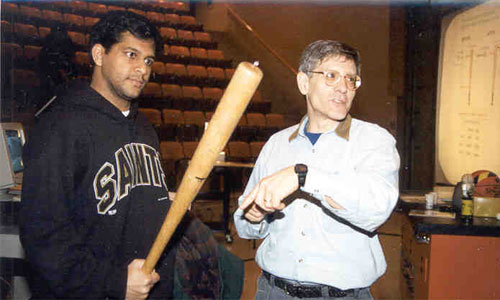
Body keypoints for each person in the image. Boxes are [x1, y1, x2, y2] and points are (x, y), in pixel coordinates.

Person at [20, 11, 174, 299]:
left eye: (148, 60)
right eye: (131, 54)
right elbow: (42, 235)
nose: (142, 69)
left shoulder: (145, 128)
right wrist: (114, 282)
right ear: (99, 54)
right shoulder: (59, 125)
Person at [234, 40, 400, 300]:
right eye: (331, 76)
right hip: (273, 292)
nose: (343, 88)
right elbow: (243, 224)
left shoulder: (374, 141)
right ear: (303, 82)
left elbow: (377, 208)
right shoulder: (276, 144)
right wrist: (254, 215)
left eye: (351, 79)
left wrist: (303, 176)